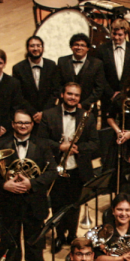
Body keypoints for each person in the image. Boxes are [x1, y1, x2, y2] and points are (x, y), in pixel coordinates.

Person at [0, 110, 57, 261]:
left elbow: (52, 172)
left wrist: (31, 183)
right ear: (13, 124)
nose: (23, 126)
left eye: (26, 123)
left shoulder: (42, 144)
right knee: (11, 239)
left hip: (33, 201)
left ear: (32, 125)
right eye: (19, 123)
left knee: (34, 240)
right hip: (8, 201)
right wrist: (4, 185)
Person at [41, 81, 99, 250]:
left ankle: (72, 236)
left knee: (75, 204)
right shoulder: (48, 114)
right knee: (58, 203)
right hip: (56, 167)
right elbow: (41, 141)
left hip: (78, 168)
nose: (72, 98)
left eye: (76, 95)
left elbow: (95, 143)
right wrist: (60, 147)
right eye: (69, 94)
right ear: (62, 94)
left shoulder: (87, 117)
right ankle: (59, 236)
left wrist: (78, 148)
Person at [12, 35, 58, 126]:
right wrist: (33, 113)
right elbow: (19, 94)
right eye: (32, 46)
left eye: (38, 45)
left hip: (49, 113)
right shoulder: (18, 68)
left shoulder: (51, 65)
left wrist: (44, 113)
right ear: (27, 48)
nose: (35, 48)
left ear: (43, 48)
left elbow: (56, 91)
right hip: (27, 115)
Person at [97, 19, 130, 119]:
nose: (116, 37)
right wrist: (111, 93)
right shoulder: (102, 49)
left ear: (126, 35)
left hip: (128, 94)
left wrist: (125, 92)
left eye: (120, 35)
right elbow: (100, 74)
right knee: (106, 124)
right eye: (114, 34)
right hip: (108, 96)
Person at [53, 32, 106, 109]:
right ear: (71, 47)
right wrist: (67, 100)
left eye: (82, 45)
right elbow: (57, 84)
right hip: (65, 105)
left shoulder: (97, 64)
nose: (79, 47)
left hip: (87, 107)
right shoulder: (62, 61)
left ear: (87, 48)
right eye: (76, 44)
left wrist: (83, 104)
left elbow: (99, 88)